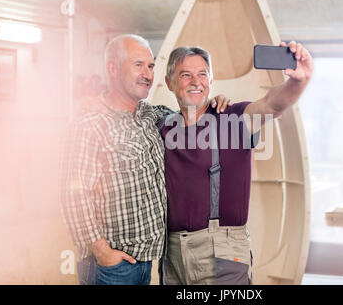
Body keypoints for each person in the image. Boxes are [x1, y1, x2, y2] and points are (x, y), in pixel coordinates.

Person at [59, 34, 230, 285]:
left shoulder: (151, 115)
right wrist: (103, 252)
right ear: (113, 69)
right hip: (111, 267)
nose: (147, 74)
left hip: (148, 262)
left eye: (150, 66)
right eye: (138, 65)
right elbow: (73, 196)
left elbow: (189, 116)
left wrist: (212, 103)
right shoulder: (90, 124)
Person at [159, 41, 313, 285]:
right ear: (170, 83)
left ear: (211, 81)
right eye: (185, 75)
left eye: (202, 74)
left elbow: (272, 104)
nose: (195, 82)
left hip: (222, 250)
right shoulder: (162, 125)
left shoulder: (233, 118)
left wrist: (298, 81)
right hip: (172, 253)